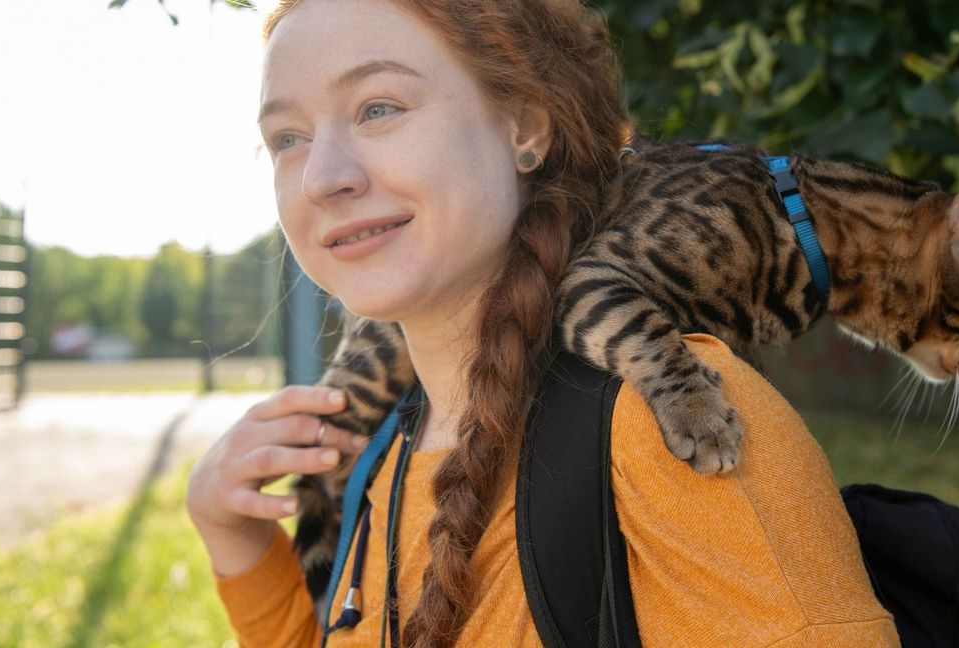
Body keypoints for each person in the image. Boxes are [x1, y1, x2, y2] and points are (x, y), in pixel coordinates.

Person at [185, 0, 901, 646]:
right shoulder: (386, 444)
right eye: (286, 138)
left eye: (379, 108)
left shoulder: (670, 427)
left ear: (525, 127)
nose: (321, 177)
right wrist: (234, 534)